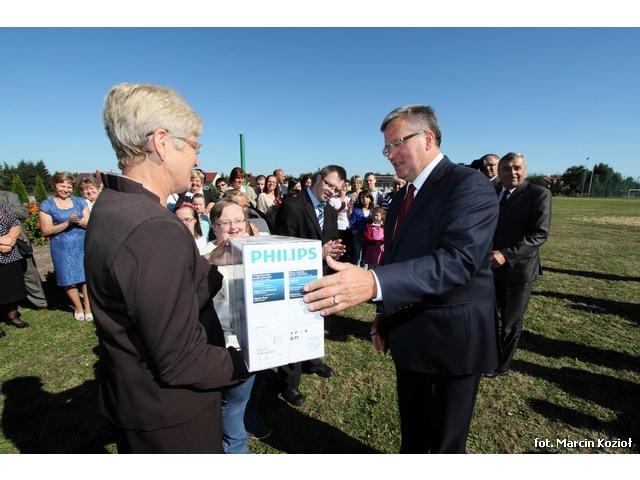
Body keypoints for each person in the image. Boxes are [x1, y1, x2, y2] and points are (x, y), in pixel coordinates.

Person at [302, 104, 499, 453]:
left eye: (397, 144)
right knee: (413, 438)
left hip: (449, 346)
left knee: (443, 448)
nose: (390, 154)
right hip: (408, 337)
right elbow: (397, 259)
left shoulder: (468, 185)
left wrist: (372, 283)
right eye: (386, 148)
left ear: (428, 138)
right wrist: (385, 314)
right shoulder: (401, 197)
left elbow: (458, 261)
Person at [85, 82, 248, 453]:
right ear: (161, 142)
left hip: (136, 399)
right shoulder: (154, 227)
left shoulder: (113, 204)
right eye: (193, 145)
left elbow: (147, 291)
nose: (196, 159)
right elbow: (181, 360)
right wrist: (246, 362)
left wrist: (206, 262)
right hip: (172, 416)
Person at [273, 166, 347, 406]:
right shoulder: (292, 206)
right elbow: (282, 248)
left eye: (336, 189)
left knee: (315, 322)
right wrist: (318, 251)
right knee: (293, 328)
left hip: (321, 277)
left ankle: (312, 361)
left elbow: (330, 242)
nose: (331, 191)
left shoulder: (331, 211)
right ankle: (289, 382)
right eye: (328, 184)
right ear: (317, 179)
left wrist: (334, 252)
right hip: (294, 280)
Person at [207, 200, 269, 453]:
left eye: (238, 221)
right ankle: (235, 449)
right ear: (214, 227)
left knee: (250, 391)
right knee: (233, 401)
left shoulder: (258, 250)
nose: (233, 227)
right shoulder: (205, 256)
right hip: (226, 343)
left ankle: (248, 423)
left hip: (260, 338)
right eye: (225, 222)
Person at [488, 152, 552, 377]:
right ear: (499, 171)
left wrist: (506, 254)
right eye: (506, 168)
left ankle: (501, 365)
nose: (512, 173)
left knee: (509, 322)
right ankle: (489, 357)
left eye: (517, 168)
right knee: (491, 317)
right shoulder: (492, 191)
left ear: (525, 169)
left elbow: (539, 234)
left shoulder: (539, 194)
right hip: (489, 268)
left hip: (518, 270)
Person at [39, 172, 92, 321]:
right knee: (67, 278)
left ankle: (88, 307)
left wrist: (78, 221)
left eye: (69, 187)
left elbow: (90, 223)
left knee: (86, 277)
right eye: (62, 186)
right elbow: (46, 230)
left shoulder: (80, 202)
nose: (66, 189)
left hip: (82, 245)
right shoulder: (47, 204)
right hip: (61, 247)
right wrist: (67, 223)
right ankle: (78, 307)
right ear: (54, 186)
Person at [0, 189, 47, 309]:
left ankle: (40, 302)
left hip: (18, 241)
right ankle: (14, 304)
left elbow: (24, 213)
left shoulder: (10, 196)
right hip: (2, 245)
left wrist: (4, 207)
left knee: (29, 272)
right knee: (8, 277)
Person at [0, 201, 29, 337]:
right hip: (4, 247)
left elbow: (15, 223)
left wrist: (11, 240)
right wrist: (2, 242)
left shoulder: (1, 205)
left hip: (11, 254)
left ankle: (12, 316)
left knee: (13, 289)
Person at [329, 183, 353, 264]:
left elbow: (350, 216)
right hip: (337, 227)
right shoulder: (333, 199)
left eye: (344, 187)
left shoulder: (349, 199)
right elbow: (331, 216)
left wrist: (349, 209)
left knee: (346, 249)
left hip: (347, 227)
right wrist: (341, 209)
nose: (343, 189)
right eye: (341, 187)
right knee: (337, 249)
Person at [349, 191, 373, 267]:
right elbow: (351, 223)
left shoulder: (373, 212)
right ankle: (355, 272)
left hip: (369, 238)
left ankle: (364, 272)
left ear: (370, 199)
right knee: (357, 257)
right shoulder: (356, 211)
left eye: (367, 197)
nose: (364, 198)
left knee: (366, 258)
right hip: (358, 237)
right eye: (363, 197)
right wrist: (355, 232)